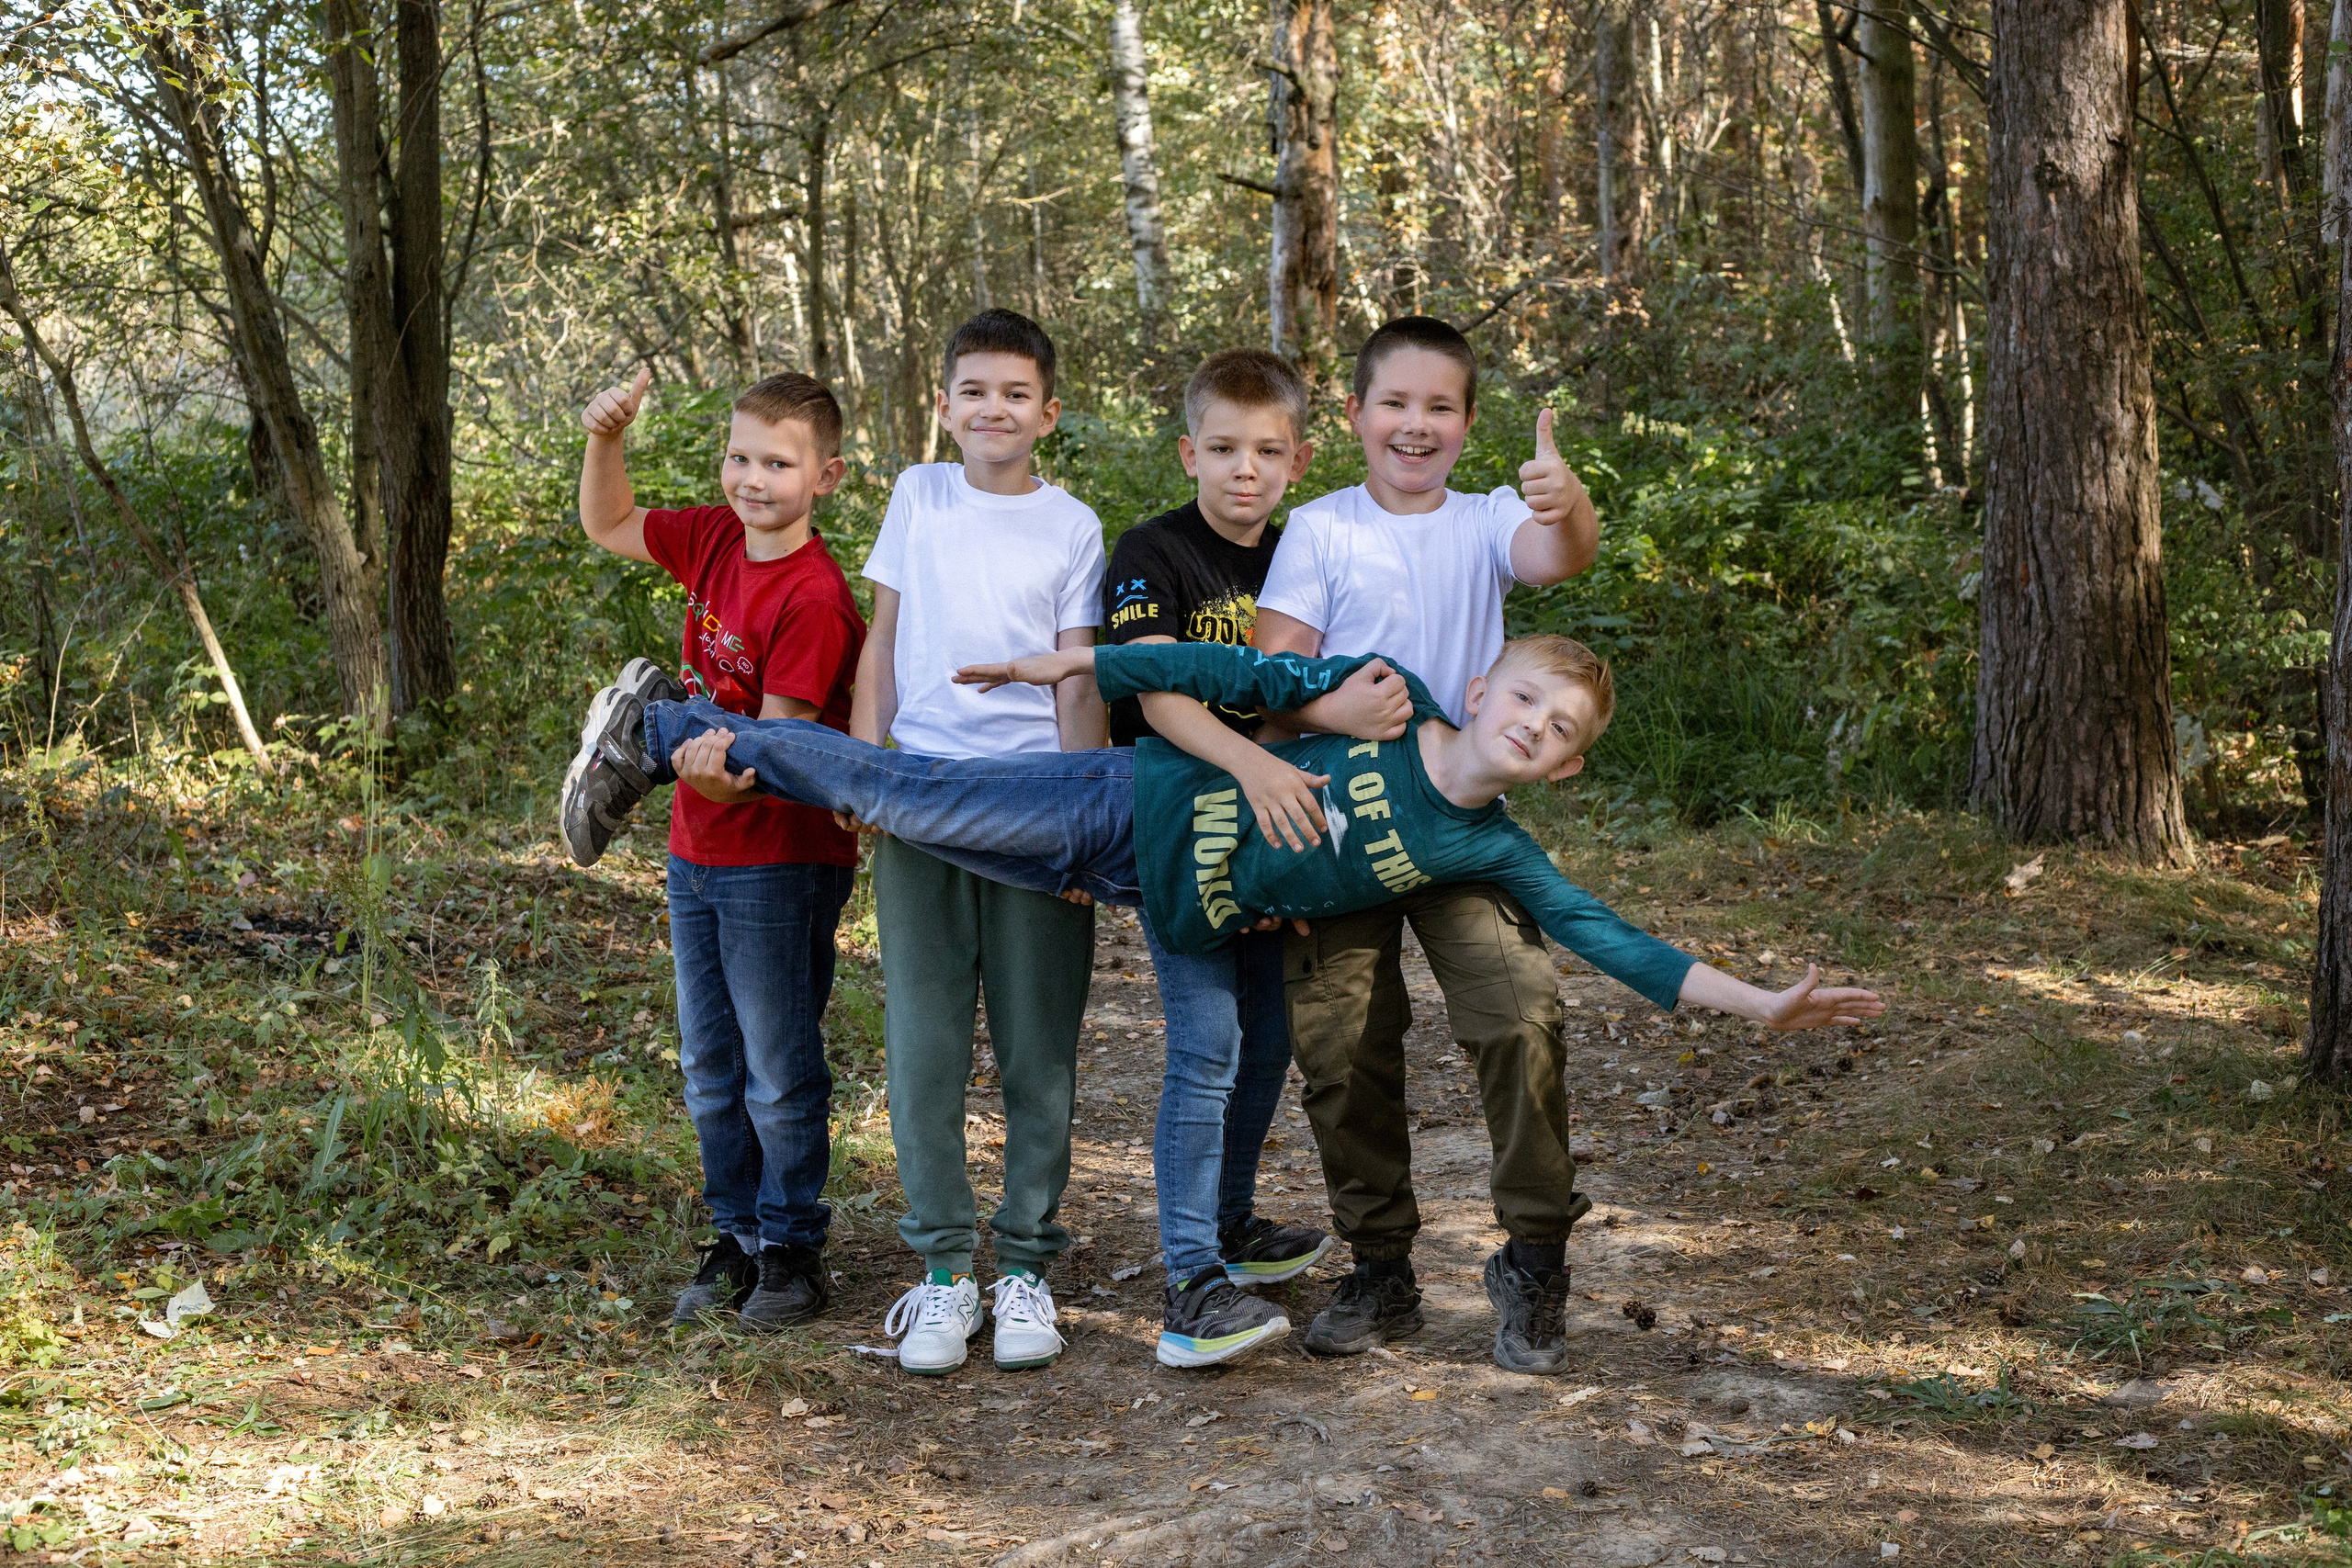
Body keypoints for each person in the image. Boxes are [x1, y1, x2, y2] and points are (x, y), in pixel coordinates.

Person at [558, 637, 1887, 1372]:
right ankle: (665, 719)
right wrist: (1080, 667)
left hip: (1182, 910)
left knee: (1212, 1062)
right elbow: (1176, 669)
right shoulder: (1382, 699)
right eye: (1524, 697)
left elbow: (1612, 937)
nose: (1531, 727)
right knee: (893, 793)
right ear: (1481, 686)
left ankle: (1194, 1282)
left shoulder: (1491, 848)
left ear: (1569, 761)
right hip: (1118, 806)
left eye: (1558, 729)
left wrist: (1761, 1000)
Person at [1248, 314, 1611, 1364]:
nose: (1415, 425)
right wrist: (1334, 723)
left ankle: (1533, 1259)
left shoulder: (1484, 519)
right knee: (1343, 1046)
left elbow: (1556, 553)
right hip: (1336, 830)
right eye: (1393, 404)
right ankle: (1381, 1267)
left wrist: (1565, 498)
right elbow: (1278, 683)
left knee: (1517, 1011)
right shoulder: (1319, 529)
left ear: (1463, 424)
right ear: (1354, 414)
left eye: (1439, 407)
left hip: (1457, 831)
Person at [560, 368, 865, 1333]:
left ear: (826, 477)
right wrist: (606, 437)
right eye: (740, 457)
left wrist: (694, 763)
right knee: (708, 1066)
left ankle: (792, 1248)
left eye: (778, 463)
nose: (751, 478)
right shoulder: (715, 539)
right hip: (697, 850)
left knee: (778, 1068)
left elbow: (769, 759)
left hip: (782, 854)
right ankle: (734, 1236)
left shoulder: (813, 598)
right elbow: (607, 526)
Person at [853, 309, 1106, 1376]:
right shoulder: (919, 495)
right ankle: (947, 1272)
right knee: (924, 1044)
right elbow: (884, 637)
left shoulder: (1074, 525)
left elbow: (1079, 673)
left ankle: (1029, 1270)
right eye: (974, 391)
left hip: (1037, 808)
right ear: (946, 405)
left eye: (1015, 393)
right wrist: (869, 768)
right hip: (920, 798)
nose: (992, 409)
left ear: (1047, 412)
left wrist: (1085, 823)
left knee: (1037, 1047)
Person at [1100, 349, 1340, 1368]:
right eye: (1226, 448)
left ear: (1298, 459)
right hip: (1181, 823)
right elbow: (1156, 693)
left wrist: (1282, 815)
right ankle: (1189, 1279)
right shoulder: (1152, 551)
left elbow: (1313, 693)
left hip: (1274, 829)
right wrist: (1256, 773)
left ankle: (1233, 1228)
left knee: (1266, 1037)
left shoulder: (1302, 556)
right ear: (1190, 450)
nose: (1246, 469)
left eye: (1268, 451)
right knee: (1203, 1044)